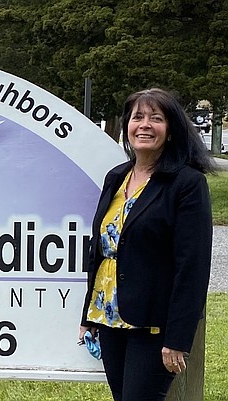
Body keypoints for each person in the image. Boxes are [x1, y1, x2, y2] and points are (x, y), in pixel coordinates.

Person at [79, 88, 215, 400]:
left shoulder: (187, 184)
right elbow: (100, 251)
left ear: (170, 131)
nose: (145, 124)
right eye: (137, 117)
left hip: (154, 328)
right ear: (126, 125)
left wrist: (178, 338)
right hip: (110, 318)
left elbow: (192, 267)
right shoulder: (117, 177)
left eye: (156, 118)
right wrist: (89, 315)